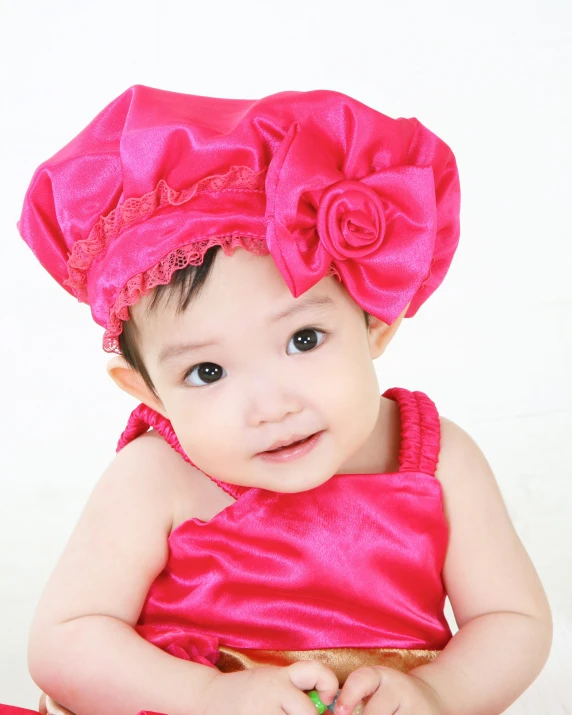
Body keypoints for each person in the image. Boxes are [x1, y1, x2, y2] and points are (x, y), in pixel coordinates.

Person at [3, 85, 552, 715]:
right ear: (146, 390)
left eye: (304, 339)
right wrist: (208, 695)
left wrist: (438, 692)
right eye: (208, 372)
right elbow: (66, 640)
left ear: (375, 323)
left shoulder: (436, 457)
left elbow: (511, 618)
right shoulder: (158, 476)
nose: (270, 405)